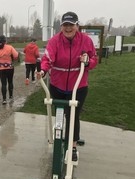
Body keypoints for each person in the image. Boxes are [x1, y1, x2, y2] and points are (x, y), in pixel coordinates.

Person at [37, 11, 98, 161]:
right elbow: (47, 59)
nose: (68, 28)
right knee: (59, 114)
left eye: (71, 25)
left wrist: (87, 62)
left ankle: (73, 146)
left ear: (77, 26)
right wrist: (43, 71)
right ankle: (58, 141)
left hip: (78, 86)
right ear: (61, 26)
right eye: (65, 25)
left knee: (73, 116)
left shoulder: (86, 41)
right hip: (57, 85)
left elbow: (94, 58)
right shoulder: (54, 41)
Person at [0, 35, 18, 104]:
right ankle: (11, 96)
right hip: (10, 68)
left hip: (1, 69)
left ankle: (4, 99)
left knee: (3, 84)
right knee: (10, 82)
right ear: (5, 41)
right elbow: (16, 56)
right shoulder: (10, 47)